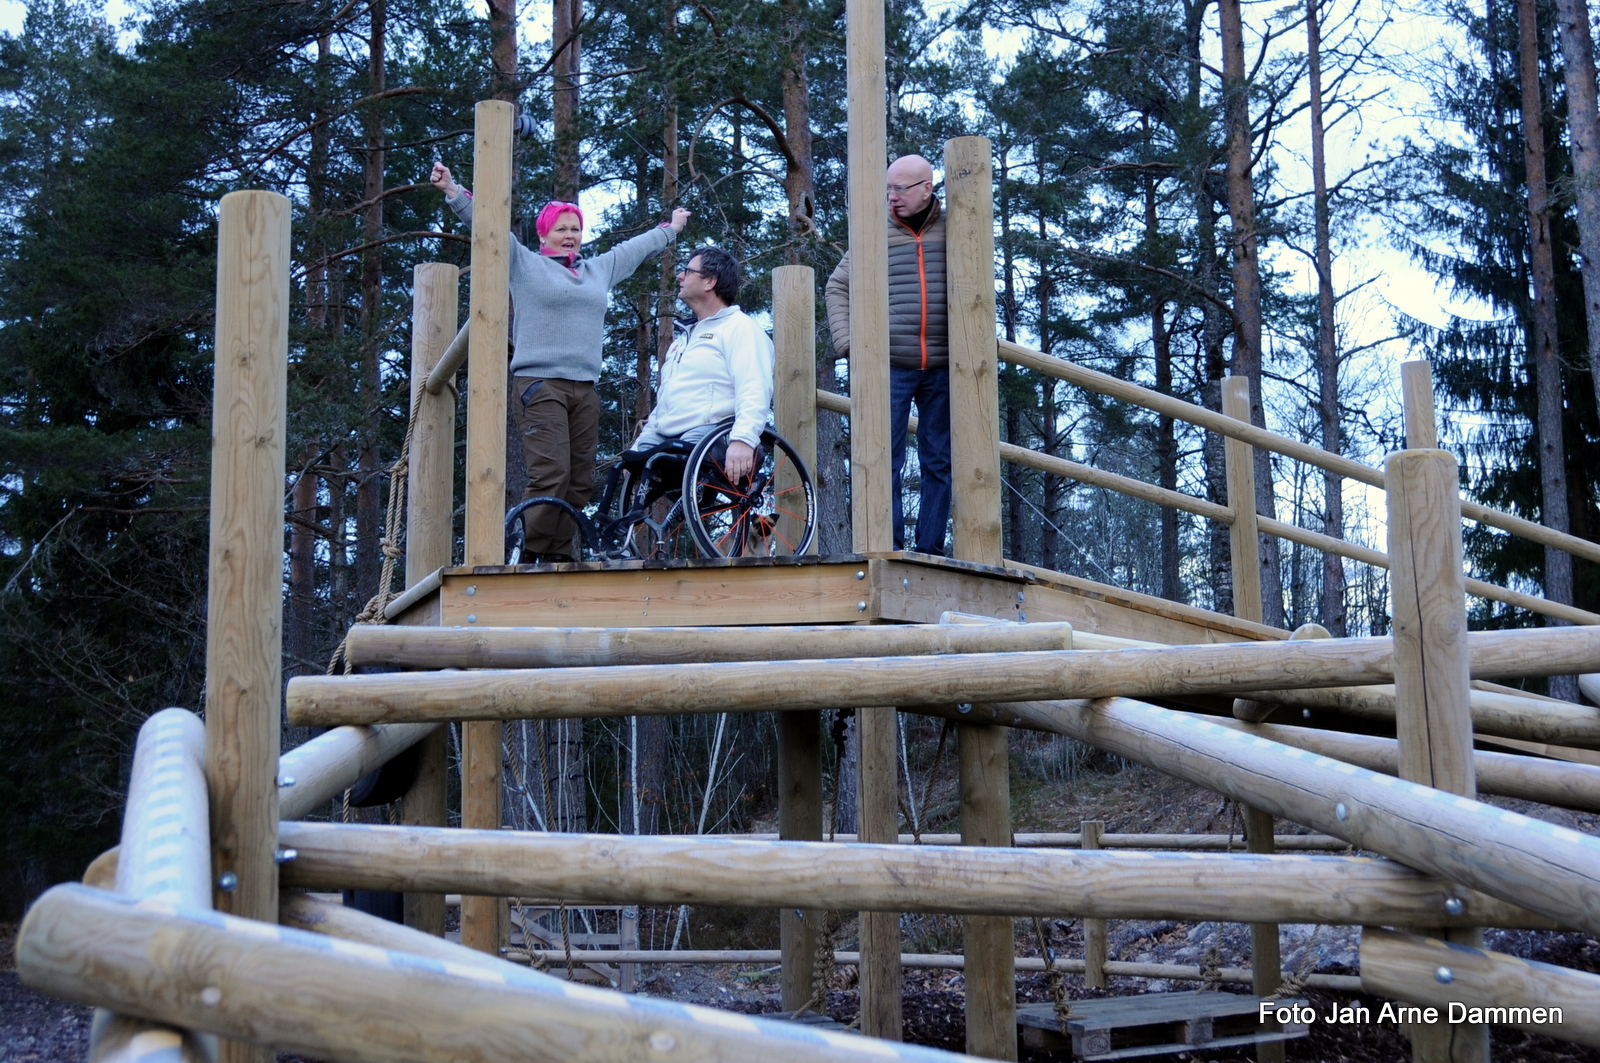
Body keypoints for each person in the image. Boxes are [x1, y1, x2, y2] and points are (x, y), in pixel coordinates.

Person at [430, 161, 689, 562]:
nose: (570, 236)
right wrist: (453, 191)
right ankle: (524, 556)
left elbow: (635, 249)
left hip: (583, 388)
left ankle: (557, 560)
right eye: (561, 229)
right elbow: (488, 227)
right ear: (544, 233)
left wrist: (670, 230)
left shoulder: (597, 271)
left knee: (579, 482)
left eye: (575, 229)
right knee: (550, 473)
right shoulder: (524, 264)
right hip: (539, 383)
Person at [823, 153, 950, 556]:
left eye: (900, 189)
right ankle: (889, 549)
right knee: (882, 460)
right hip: (890, 365)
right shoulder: (874, 230)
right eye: (887, 188)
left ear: (927, 189)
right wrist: (847, 343)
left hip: (947, 365)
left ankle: (929, 551)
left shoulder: (955, 228)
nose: (891, 197)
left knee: (940, 462)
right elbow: (836, 287)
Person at [628, 245, 772, 482]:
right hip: (666, 433)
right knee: (626, 466)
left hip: (708, 433)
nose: (680, 276)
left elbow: (755, 387)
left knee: (676, 457)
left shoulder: (740, 329)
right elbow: (665, 401)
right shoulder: (682, 341)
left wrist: (743, 439)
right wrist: (641, 444)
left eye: (687, 271)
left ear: (709, 283)